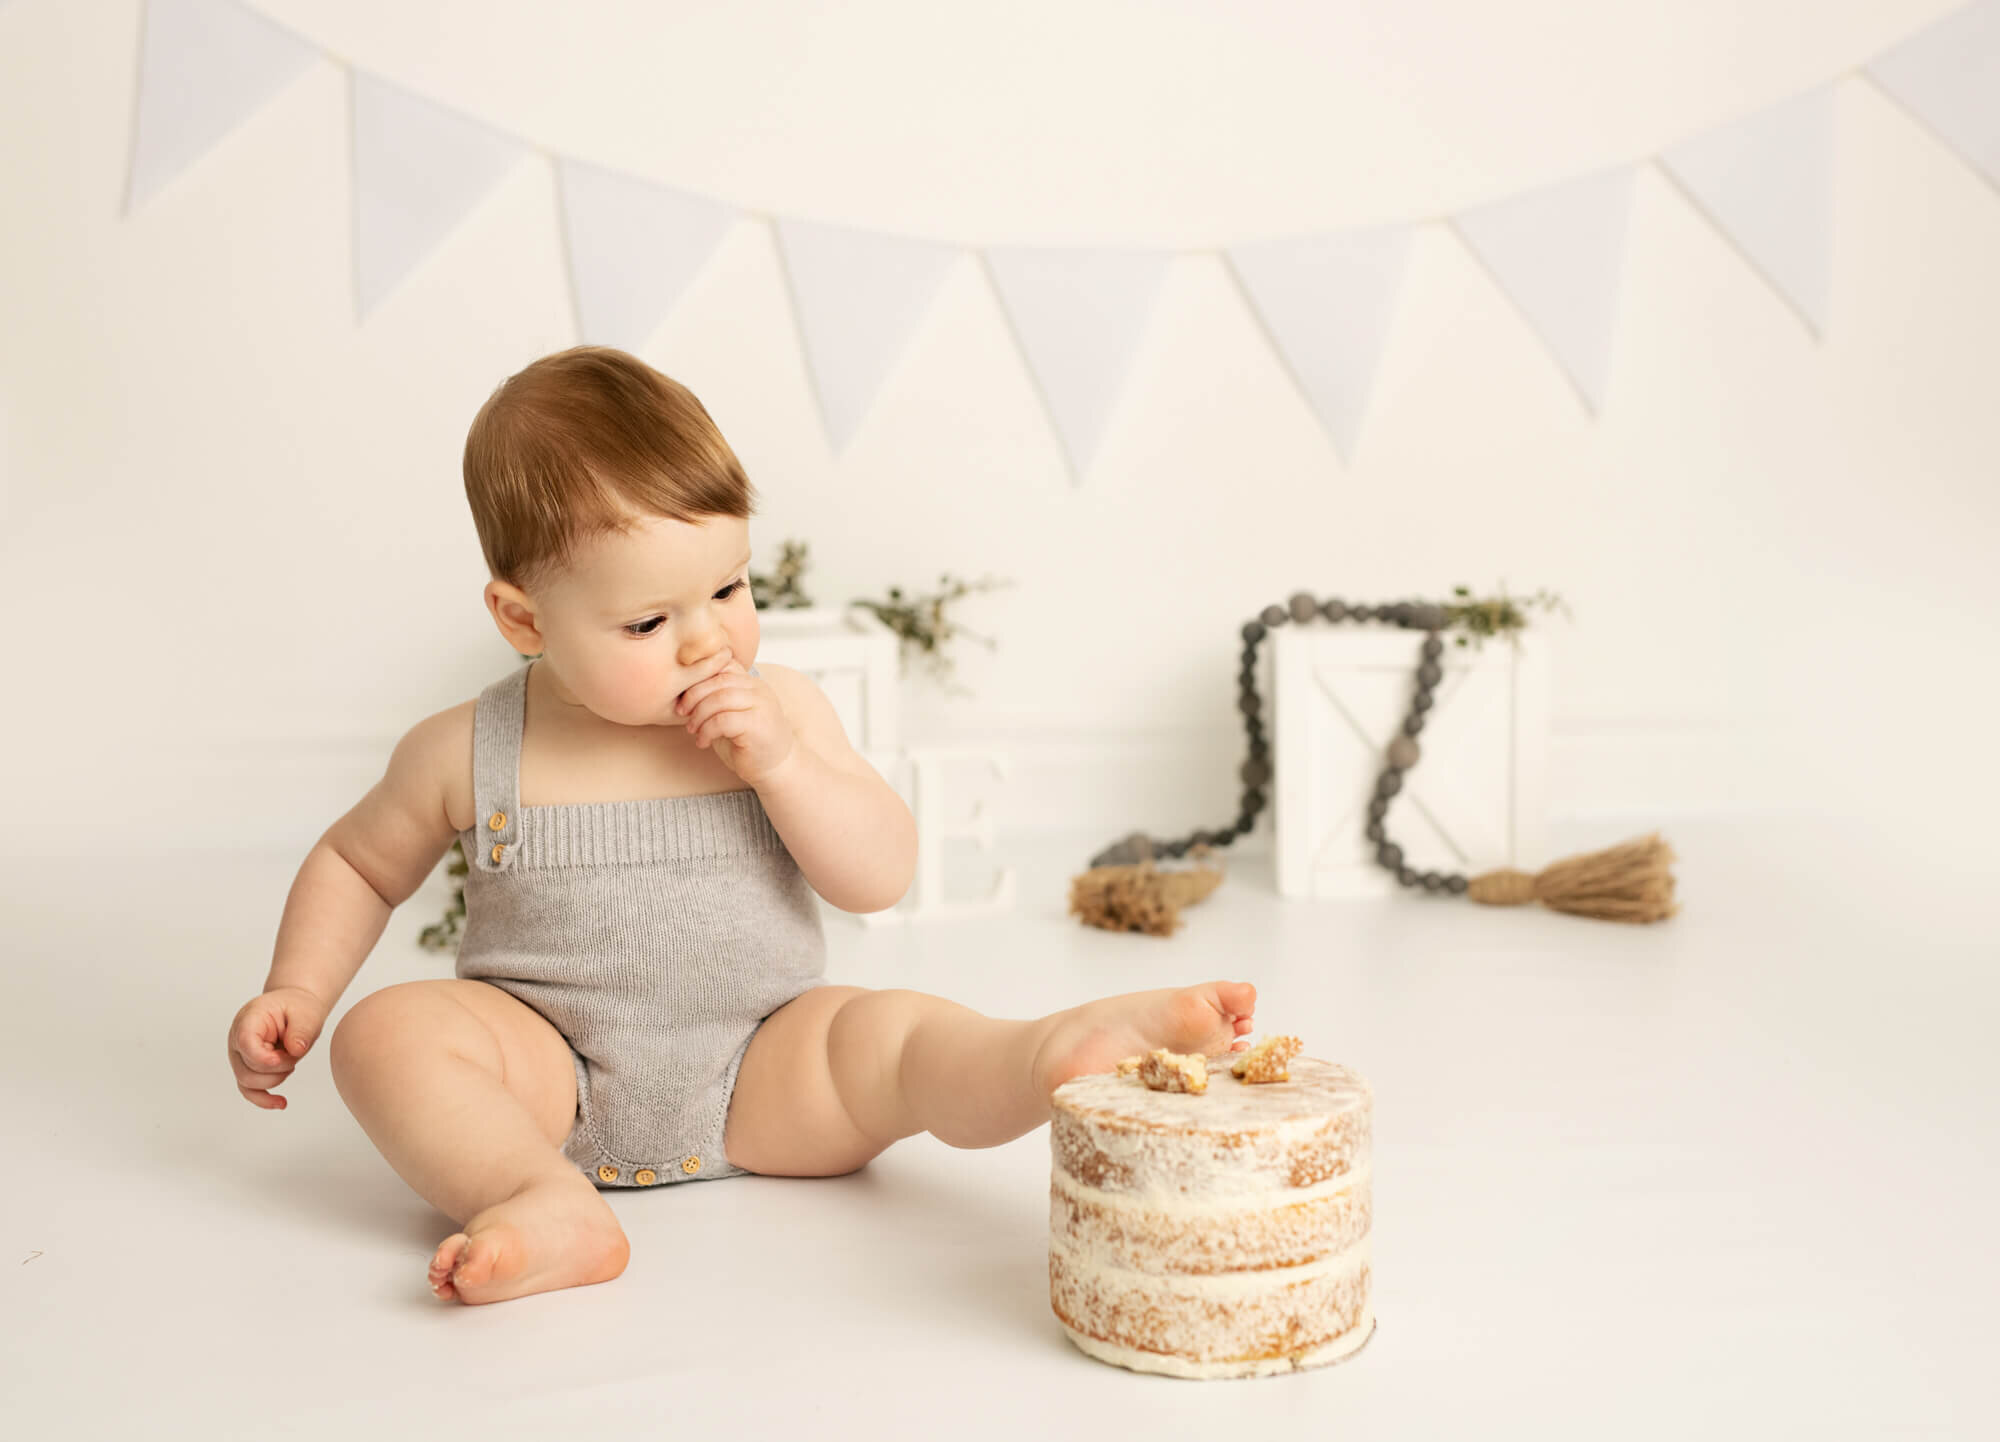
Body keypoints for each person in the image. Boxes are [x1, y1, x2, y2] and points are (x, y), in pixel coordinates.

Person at [225, 346, 1258, 1305]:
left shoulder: (784, 713)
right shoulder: (468, 748)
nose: (707, 638)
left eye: (728, 585)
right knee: (387, 1035)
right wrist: (300, 987)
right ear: (524, 617)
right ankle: (537, 1196)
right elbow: (359, 863)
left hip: (765, 1061)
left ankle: (1042, 1054)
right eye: (646, 621)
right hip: (548, 1075)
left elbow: (876, 874)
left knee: (895, 1036)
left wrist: (784, 766)